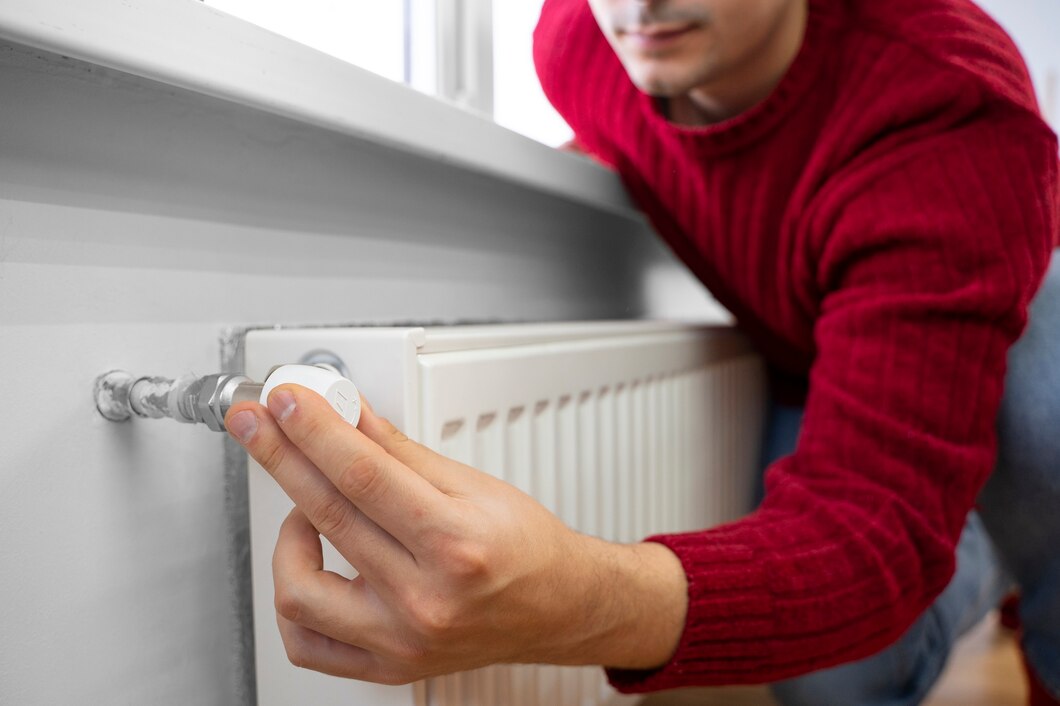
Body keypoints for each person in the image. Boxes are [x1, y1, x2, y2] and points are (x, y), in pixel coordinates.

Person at [223, 0, 1060, 703]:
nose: (638, 3)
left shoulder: (952, 112)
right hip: (804, 345)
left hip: (987, 303)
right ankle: (968, 527)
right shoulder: (582, 44)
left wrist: (573, 603)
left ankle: (1010, 547)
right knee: (833, 675)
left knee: (1040, 434)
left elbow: (873, 533)